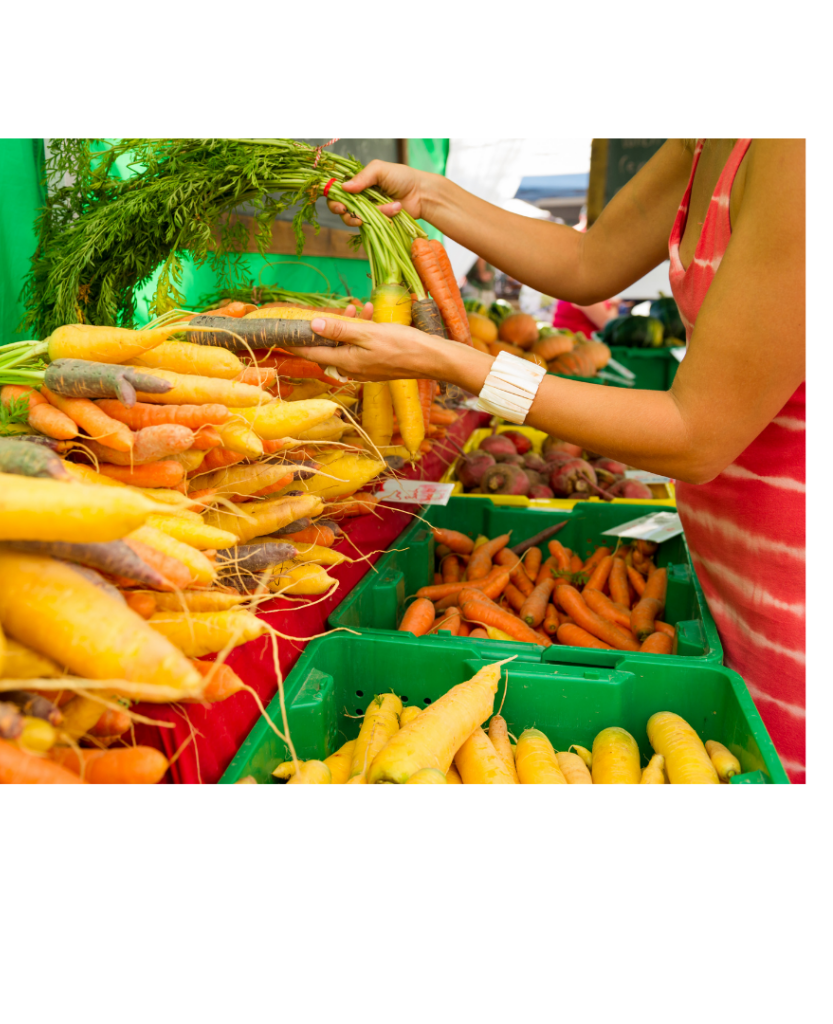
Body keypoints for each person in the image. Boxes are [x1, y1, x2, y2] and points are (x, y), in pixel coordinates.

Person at [290, 139, 806, 782]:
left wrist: (460, 365)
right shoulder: (705, 138)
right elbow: (591, 260)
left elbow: (697, 437)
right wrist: (431, 195)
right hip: (721, 559)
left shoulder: (799, 148)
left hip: (798, 587)